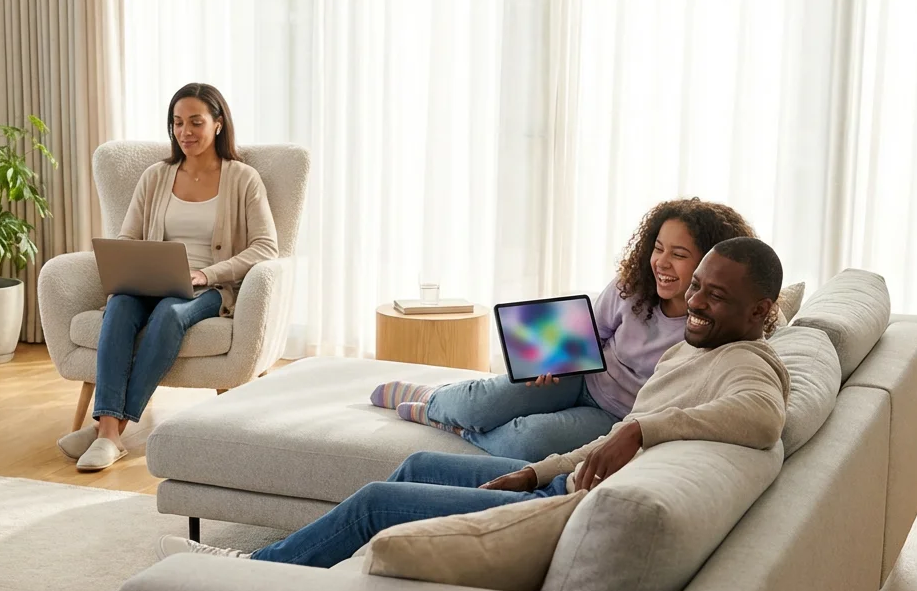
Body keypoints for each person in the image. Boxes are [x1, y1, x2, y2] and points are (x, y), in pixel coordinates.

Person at [159, 237, 791, 567]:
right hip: (559, 475)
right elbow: (598, 362)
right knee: (414, 468)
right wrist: (538, 469)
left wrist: (643, 430)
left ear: (762, 311)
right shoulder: (695, 349)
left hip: (561, 509)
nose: (697, 302)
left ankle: (255, 570)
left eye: (714, 293)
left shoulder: (748, 364)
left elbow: (764, 417)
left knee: (377, 502)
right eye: (697, 286)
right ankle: (428, 411)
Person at [370, 199, 756, 462]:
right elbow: (594, 332)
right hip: (583, 377)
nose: (662, 262)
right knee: (480, 402)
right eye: (658, 248)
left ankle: (453, 426)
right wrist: (556, 358)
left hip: (617, 415)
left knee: (527, 441)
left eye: (679, 254)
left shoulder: (708, 325)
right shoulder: (632, 288)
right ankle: (435, 400)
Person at [59, 83, 278, 471]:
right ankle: (108, 431)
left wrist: (205, 273)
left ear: (218, 124)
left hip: (210, 287)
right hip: (150, 280)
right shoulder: (156, 176)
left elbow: (265, 248)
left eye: (196, 121)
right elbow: (127, 237)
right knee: (121, 306)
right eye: (177, 123)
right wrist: (127, 270)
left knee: (169, 315)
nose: (185, 131)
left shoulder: (244, 179)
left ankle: (109, 430)